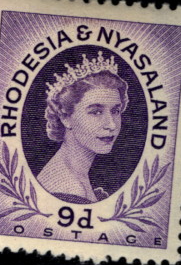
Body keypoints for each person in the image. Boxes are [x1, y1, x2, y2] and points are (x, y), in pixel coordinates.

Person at [36, 54, 128, 204]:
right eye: (96, 112)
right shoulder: (69, 189)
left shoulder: (77, 175)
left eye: (115, 111)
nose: (111, 125)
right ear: (65, 117)